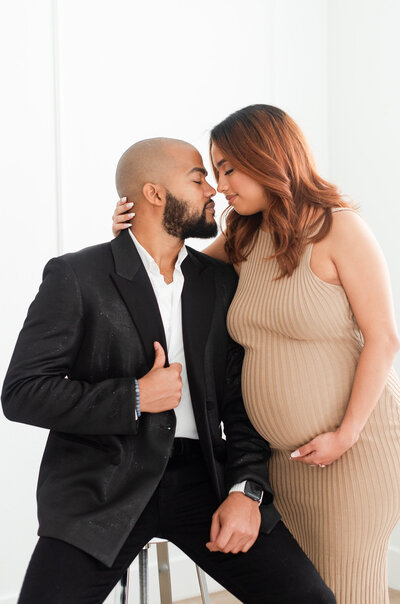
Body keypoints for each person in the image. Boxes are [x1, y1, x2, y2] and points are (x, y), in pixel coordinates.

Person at [1, 137, 335, 604]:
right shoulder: (76, 276)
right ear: (155, 194)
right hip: (102, 487)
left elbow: (242, 401)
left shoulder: (218, 282)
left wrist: (247, 490)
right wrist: (134, 397)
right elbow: (21, 392)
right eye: (199, 178)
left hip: (204, 483)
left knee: (311, 599)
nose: (213, 191)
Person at [113, 107, 400, 604]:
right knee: (302, 592)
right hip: (281, 462)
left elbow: (384, 338)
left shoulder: (339, 229)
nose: (220, 185)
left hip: (350, 451)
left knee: (351, 591)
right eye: (214, 171)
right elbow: (176, 270)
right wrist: (131, 238)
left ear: (269, 157)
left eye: (228, 169)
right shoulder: (243, 238)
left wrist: (345, 434)